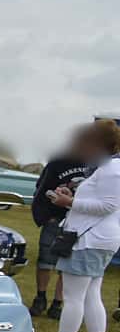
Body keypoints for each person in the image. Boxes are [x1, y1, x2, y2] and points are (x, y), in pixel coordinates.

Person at [38, 119, 120, 332]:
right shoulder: (108, 167)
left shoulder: (111, 169)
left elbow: (108, 206)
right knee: (91, 295)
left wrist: (69, 204)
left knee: (74, 298)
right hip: (100, 239)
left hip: (90, 239)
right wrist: (72, 197)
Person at [28, 135, 95, 317]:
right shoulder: (58, 163)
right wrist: (46, 216)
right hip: (55, 218)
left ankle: (58, 304)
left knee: (65, 264)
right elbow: (41, 188)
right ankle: (40, 298)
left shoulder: (96, 165)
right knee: (45, 260)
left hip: (79, 221)